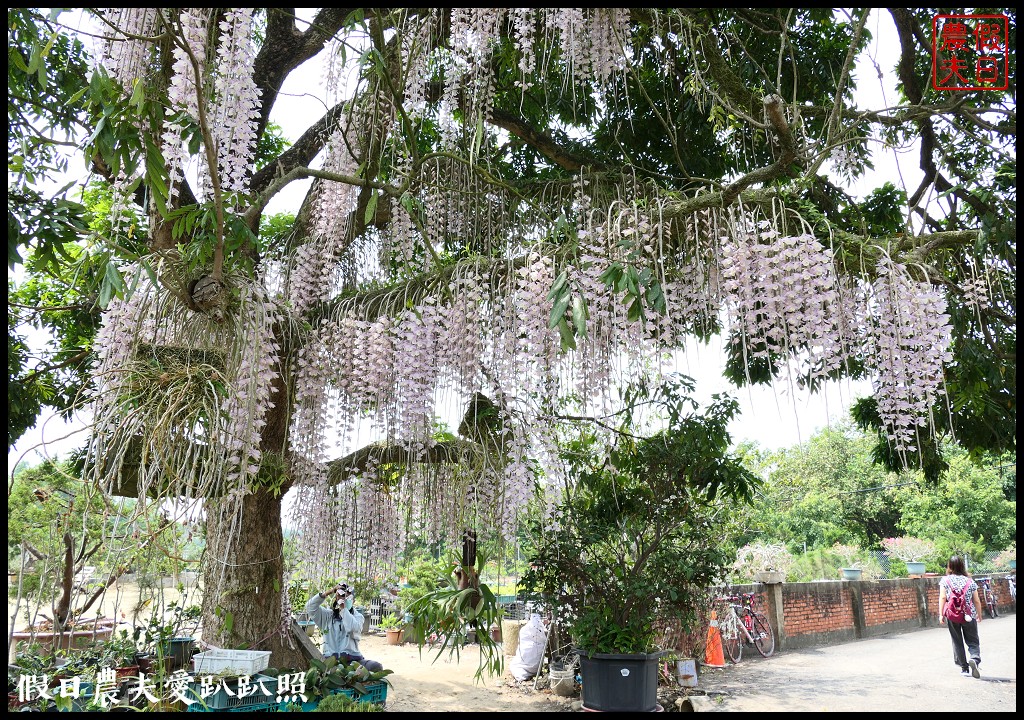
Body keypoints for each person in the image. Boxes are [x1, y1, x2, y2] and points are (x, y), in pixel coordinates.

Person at [306, 583, 384, 672]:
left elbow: (351, 628)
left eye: (348, 597)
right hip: (330, 662)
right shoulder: (327, 616)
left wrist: (343, 609)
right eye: (342, 595)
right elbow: (309, 607)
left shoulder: (358, 617)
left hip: (353, 661)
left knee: (375, 666)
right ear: (336, 598)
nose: (344, 598)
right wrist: (330, 591)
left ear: (353, 601)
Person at [938, 555, 983, 678]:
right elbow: (977, 600)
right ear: (962, 565)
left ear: (950, 566)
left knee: (957, 640)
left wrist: (941, 614)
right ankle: (974, 658)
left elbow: (942, 597)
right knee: (973, 640)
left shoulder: (945, 580)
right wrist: (979, 615)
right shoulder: (969, 581)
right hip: (969, 614)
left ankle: (964, 668)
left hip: (952, 615)